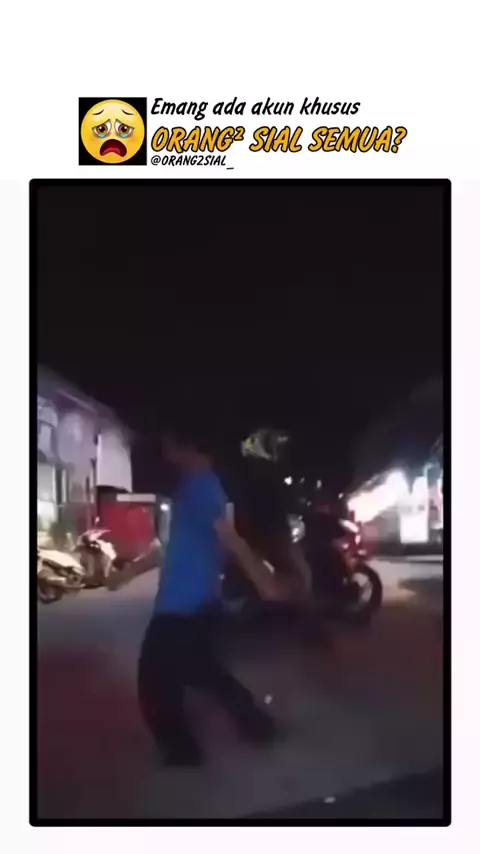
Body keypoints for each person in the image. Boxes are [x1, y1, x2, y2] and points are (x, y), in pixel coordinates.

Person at [108, 426, 282, 767]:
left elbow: (229, 538)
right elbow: (172, 548)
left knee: (155, 682)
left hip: (182, 608)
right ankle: (255, 724)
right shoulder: (189, 489)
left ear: (186, 447)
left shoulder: (202, 486)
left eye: (169, 443)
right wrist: (128, 573)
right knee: (203, 670)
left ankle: (184, 751)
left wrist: (263, 580)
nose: (164, 451)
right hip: (194, 604)